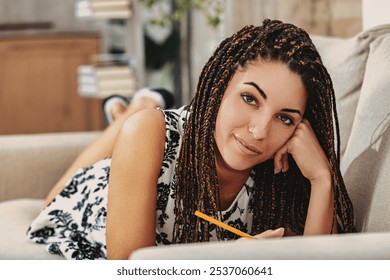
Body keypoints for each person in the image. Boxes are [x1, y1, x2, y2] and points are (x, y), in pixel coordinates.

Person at [27, 19, 356, 260]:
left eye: (285, 118)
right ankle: (134, 109)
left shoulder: (280, 174)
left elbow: (314, 263)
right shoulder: (149, 134)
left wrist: (321, 177)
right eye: (250, 99)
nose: (259, 131)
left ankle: (128, 107)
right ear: (220, 86)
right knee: (54, 197)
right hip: (98, 198)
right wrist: (225, 264)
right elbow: (129, 268)